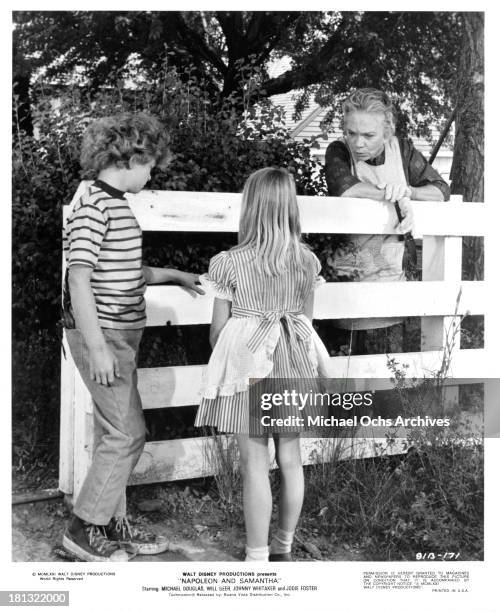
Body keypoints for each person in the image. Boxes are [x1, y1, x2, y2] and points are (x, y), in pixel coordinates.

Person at [62, 112, 204, 562]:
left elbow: (123, 270)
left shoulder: (114, 204)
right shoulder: (94, 207)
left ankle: (111, 524)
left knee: (117, 431)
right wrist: (99, 347)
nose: (152, 174)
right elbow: (79, 277)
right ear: (130, 157)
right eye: (150, 166)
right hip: (101, 336)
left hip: (120, 336)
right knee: (127, 434)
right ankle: (83, 529)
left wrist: (172, 274)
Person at [194, 167, 331, 562]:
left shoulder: (229, 262)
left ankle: (257, 558)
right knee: (291, 458)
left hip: (250, 366)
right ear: (290, 207)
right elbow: (304, 322)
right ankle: (284, 548)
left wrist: (238, 342)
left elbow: (217, 333)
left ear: (250, 207)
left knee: (254, 461)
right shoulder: (307, 261)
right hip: (292, 363)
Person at [324, 88, 450, 354]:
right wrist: (389, 193)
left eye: (368, 135)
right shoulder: (339, 151)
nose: (358, 143)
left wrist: (409, 192)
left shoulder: (402, 151)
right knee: (348, 372)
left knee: (391, 369)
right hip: (350, 274)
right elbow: (345, 187)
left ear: (387, 131)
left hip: (394, 273)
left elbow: (440, 190)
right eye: (351, 133)